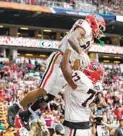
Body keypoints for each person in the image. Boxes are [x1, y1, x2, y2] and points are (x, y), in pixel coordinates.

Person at [8, 14, 106, 128]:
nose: (100, 31)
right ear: (94, 23)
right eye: (100, 27)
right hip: (59, 58)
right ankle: (15, 107)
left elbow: (77, 58)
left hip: (67, 63)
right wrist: (81, 52)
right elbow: (72, 38)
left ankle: (27, 114)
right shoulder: (85, 26)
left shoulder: (91, 40)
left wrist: (77, 70)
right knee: (43, 90)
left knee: (50, 96)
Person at [61, 49, 104, 136]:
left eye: (85, 67)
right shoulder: (96, 85)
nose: (82, 67)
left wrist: (68, 49)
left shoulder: (82, 80)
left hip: (75, 126)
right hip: (83, 125)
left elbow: (65, 69)